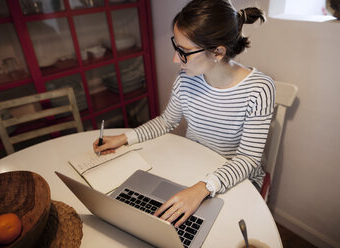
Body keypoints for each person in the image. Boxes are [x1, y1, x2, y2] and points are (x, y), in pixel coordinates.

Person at [94, 0, 275, 229]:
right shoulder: (186, 79)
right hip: (195, 169)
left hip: (235, 180)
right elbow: (167, 121)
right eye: (175, 46)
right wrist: (124, 137)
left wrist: (202, 188)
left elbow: (248, 159)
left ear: (218, 52)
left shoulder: (259, 89)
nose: (174, 59)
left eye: (184, 52)